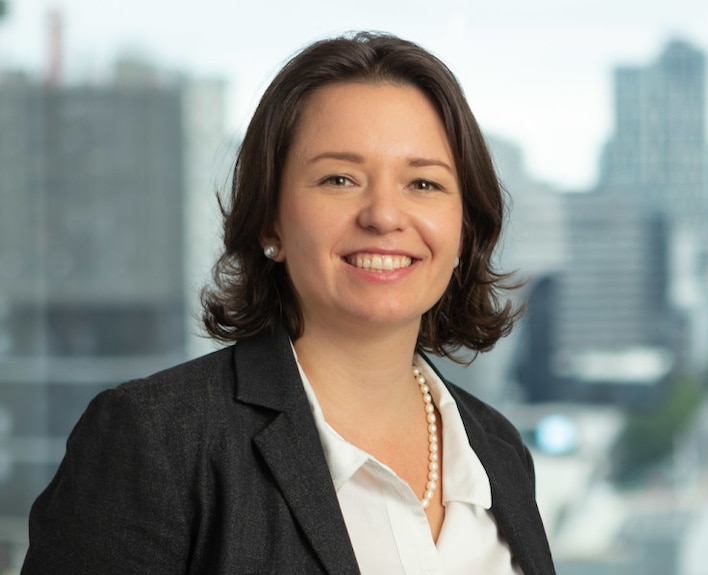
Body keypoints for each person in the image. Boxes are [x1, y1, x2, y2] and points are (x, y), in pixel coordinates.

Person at [22, 32, 556, 574]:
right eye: (339, 179)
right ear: (269, 221)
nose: (384, 216)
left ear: (464, 228)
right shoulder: (156, 440)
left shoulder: (496, 449)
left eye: (423, 184)